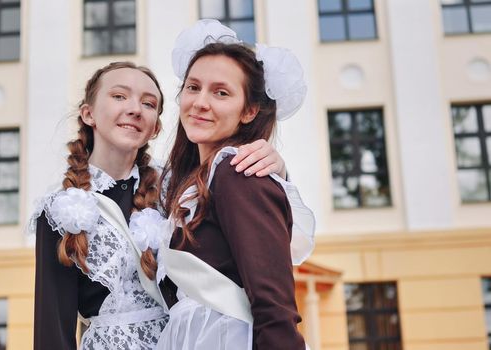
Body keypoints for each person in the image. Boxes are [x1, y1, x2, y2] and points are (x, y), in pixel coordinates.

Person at [32, 60, 291, 350]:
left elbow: (253, 232)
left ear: (155, 127)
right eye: (119, 96)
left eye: (148, 103)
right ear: (88, 114)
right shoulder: (60, 208)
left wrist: (276, 167)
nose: (134, 109)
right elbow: (52, 330)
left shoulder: (178, 188)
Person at [156, 20, 315, 350]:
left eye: (221, 92)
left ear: (249, 110)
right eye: (193, 87)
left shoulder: (237, 171)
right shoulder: (189, 183)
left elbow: (274, 303)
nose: (200, 102)